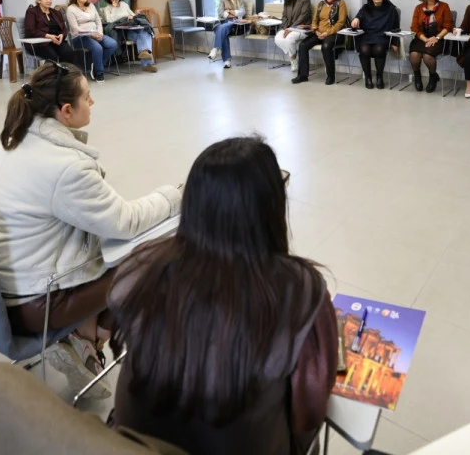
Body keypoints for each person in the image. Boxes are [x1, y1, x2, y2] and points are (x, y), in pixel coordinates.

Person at [109, 136, 337, 455]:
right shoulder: (300, 289)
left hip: (132, 445)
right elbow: (310, 410)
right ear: (271, 206)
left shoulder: (140, 266)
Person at [0, 63, 181, 393]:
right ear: (66, 110)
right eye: (88, 96)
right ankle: (104, 339)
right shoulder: (66, 167)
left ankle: (84, 334)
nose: (93, 102)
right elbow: (124, 221)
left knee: (119, 255)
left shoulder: (17, 139)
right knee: (161, 258)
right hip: (34, 306)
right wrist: (176, 197)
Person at [293, 0, 348, 86]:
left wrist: (327, 33)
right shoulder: (321, 4)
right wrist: (316, 31)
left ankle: (331, 76)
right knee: (303, 45)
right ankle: (303, 76)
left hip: (334, 34)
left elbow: (341, 23)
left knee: (326, 46)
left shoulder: (341, 3)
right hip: (319, 33)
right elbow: (314, 21)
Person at [350, 0, 400, 89]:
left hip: (383, 36)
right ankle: (368, 77)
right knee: (364, 49)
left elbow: (396, 27)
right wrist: (356, 19)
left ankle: (379, 77)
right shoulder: (365, 8)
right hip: (366, 36)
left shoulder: (391, 9)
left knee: (379, 49)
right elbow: (357, 18)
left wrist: (395, 43)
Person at [66, 0, 118, 83]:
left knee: (113, 44)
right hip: (79, 37)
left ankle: (97, 66)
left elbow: (98, 21)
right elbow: (75, 28)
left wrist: (100, 34)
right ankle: (99, 73)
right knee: (97, 47)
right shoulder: (71, 9)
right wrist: (91, 35)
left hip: (96, 34)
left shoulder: (91, 6)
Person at [408, 0, 452, 93]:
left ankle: (433, 77)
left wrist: (436, 38)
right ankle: (417, 77)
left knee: (427, 56)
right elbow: (414, 27)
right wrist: (425, 39)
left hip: (439, 38)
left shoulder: (444, 6)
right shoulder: (419, 8)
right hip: (422, 37)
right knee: (414, 54)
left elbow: (448, 26)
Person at [24, 0, 85, 70]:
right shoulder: (32, 12)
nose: (49, 1)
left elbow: (64, 28)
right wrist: (48, 36)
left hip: (55, 41)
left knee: (69, 52)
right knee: (53, 56)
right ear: (39, 0)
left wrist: (62, 35)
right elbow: (31, 30)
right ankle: (50, 77)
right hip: (39, 43)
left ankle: (64, 75)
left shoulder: (55, 12)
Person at [101, 0, 156, 73]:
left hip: (132, 29)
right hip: (123, 33)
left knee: (145, 32)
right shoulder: (107, 9)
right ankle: (147, 62)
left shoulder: (124, 4)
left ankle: (145, 54)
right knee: (142, 35)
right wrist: (116, 9)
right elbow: (110, 21)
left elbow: (133, 15)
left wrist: (134, 15)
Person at [274, 0, 312, 73]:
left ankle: (293, 61)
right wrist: (286, 28)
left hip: (302, 28)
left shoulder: (306, 0)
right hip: (288, 27)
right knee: (277, 39)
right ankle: (293, 55)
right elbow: (284, 16)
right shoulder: (288, 1)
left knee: (289, 39)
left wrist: (290, 29)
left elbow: (302, 17)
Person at [207, 0, 247, 70]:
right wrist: (233, 13)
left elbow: (242, 13)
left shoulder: (240, 0)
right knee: (222, 30)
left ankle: (215, 49)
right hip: (221, 22)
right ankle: (226, 61)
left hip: (233, 23)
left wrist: (229, 11)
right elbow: (220, 13)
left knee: (222, 29)